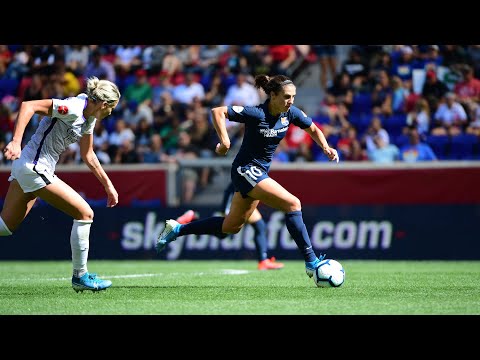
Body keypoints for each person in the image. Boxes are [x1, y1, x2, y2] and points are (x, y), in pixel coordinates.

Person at [157, 74, 339, 280]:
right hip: (245, 170)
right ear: (272, 95)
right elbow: (218, 111)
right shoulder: (256, 113)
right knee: (293, 204)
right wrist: (225, 142)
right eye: (287, 97)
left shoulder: (291, 114)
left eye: (293, 97)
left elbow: (313, 128)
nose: (291, 101)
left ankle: (177, 229)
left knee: (230, 227)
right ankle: (312, 262)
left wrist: (326, 147)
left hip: (258, 172)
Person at [0, 76, 121, 293]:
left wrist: (108, 185)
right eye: (111, 108)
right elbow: (30, 106)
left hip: (28, 167)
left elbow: (88, 154)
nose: (111, 112)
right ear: (104, 104)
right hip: (34, 167)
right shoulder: (74, 107)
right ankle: (80, 276)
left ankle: (80, 276)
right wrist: (16, 141)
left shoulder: (89, 118)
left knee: (5, 227)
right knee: (85, 213)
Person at [176, 182, 285, 270]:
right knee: (226, 231)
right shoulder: (249, 167)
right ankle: (263, 261)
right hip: (236, 198)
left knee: (258, 226)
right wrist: (226, 208)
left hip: (242, 197)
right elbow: (233, 186)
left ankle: (263, 261)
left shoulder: (253, 167)